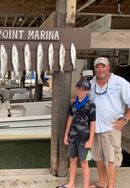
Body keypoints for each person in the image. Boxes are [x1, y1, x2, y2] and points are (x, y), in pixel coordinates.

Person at [89, 57, 130, 188]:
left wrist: (125, 119)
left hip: (111, 127)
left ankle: (110, 186)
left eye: (103, 66)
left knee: (111, 159)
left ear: (108, 67)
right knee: (98, 157)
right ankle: (102, 182)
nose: (100, 69)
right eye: (97, 67)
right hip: (95, 127)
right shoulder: (90, 83)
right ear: (94, 69)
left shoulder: (120, 82)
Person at [57, 79, 96, 188]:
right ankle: (71, 183)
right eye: (79, 88)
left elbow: (93, 123)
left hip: (84, 138)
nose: (80, 91)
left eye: (83, 90)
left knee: (84, 163)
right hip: (73, 136)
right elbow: (70, 118)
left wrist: (91, 139)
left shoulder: (91, 104)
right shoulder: (73, 103)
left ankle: (85, 186)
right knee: (72, 160)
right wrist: (66, 134)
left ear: (88, 91)